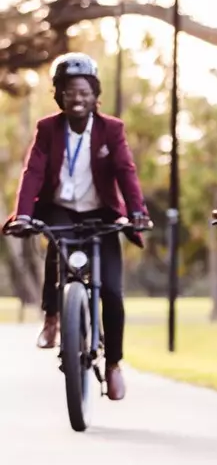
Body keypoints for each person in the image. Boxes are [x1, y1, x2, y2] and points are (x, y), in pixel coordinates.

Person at [5, 53, 151, 401]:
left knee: (113, 293)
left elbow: (125, 172)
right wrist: (23, 214)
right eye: (70, 91)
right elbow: (33, 173)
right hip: (61, 209)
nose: (77, 98)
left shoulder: (111, 129)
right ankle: (53, 317)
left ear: (95, 94)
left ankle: (114, 364)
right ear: (59, 95)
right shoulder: (47, 129)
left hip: (100, 212)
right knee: (56, 245)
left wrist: (137, 212)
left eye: (84, 91)